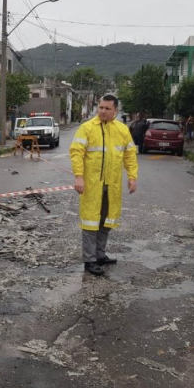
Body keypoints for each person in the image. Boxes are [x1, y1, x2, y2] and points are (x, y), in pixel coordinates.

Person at [70, 94, 139, 276]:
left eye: (107, 108)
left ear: (115, 111)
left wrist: (132, 177)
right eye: (101, 107)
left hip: (112, 185)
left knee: (106, 221)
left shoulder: (122, 130)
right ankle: (89, 260)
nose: (103, 111)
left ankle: (100, 255)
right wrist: (78, 176)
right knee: (90, 222)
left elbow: (130, 155)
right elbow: (76, 152)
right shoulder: (87, 128)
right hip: (92, 185)